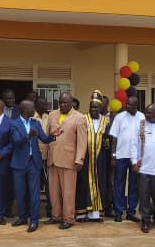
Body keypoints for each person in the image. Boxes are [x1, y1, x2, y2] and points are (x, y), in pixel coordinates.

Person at [10, 99, 57, 232]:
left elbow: (44, 138)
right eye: (32, 109)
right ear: (25, 110)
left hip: (34, 162)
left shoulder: (36, 123)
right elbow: (16, 142)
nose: (34, 111)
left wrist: (53, 136)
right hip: (19, 163)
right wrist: (28, 137)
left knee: (34, 192)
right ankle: (22, 217)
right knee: (20, 193)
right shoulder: (14, 124)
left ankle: (34, 220)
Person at [47, 92, 87, 229]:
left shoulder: (80, 118)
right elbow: (48, 136)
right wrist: (45, 156)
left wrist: (79, 159)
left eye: (65, 103)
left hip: (69, 160)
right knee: (53, 191)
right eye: (61, 102)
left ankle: (68, 218)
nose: (63, 105)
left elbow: (82, 141)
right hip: (52, 158)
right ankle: (56, 216)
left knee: (68, 192)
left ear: (71, 103)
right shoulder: (52, 115)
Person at [130, 103, 155, 232]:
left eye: (149, 113)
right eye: (146, 112)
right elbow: (134, 144)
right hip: (143, 169)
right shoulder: (140, 124)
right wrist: (134, 162)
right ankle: (145, 221)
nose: (146, 115)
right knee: (144, 197)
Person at [109, 94, 145, 222]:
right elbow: (114, 137)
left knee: (134, 185)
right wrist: (113, 156)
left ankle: (131, 212)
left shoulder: (142, 117)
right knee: (119, 184)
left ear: (136, 106)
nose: (128, 106)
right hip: (121, 155)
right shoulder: (119, 117)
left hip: (135, 157)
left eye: (131, 105)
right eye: (127, 104)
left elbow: (144, 138)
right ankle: (118, 212)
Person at [75, 91, 110, 222]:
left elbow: (109, 139)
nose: (93, 109)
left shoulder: (106, 121)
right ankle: (82, 212)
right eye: (91, 107)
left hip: (100, 158)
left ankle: (95, 213)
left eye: (96, 107)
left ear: (101, 107)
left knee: (99, 182)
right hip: (86, 157)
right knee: (83, 183)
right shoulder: (84, 119)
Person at [33, 95, 52, 220]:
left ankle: (50, 210)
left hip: (48, 156)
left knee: (49, 186)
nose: (46, 106)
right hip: (34, 157)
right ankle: (34, 211)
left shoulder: (49, 117)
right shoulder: (30, 117)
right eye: (43, 104)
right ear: (37, 105)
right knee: (34, 186)